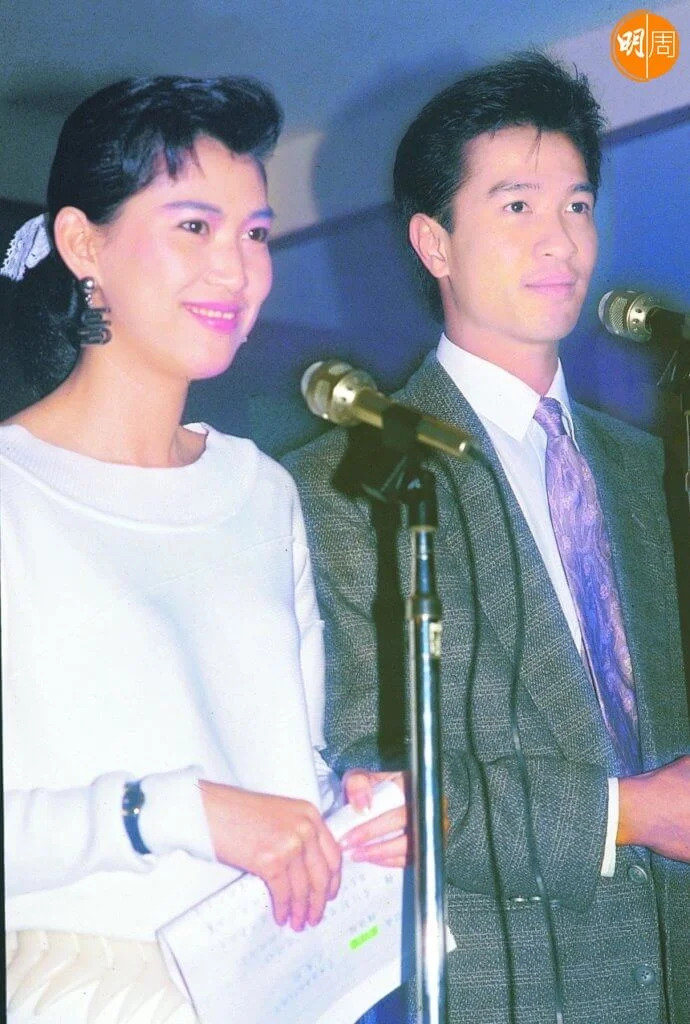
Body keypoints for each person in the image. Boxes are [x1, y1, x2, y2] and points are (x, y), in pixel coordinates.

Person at [285, 53, 690, 1024]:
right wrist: (627, 814)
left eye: (579, 205)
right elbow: (379, 782)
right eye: (517, 206)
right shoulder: (343, 481)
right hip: (509, 987)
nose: (561, 238)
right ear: (435, 242)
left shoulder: (650, 468)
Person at [1, 75, 404, 1024]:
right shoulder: (12, 491)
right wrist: (177, 811)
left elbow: (285, 767)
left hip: (273, 982)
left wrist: (352, 812)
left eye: (255, 234)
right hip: (86, 989)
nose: (238, 270)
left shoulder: (260, 491)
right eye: (194, 226)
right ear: (83, 244)